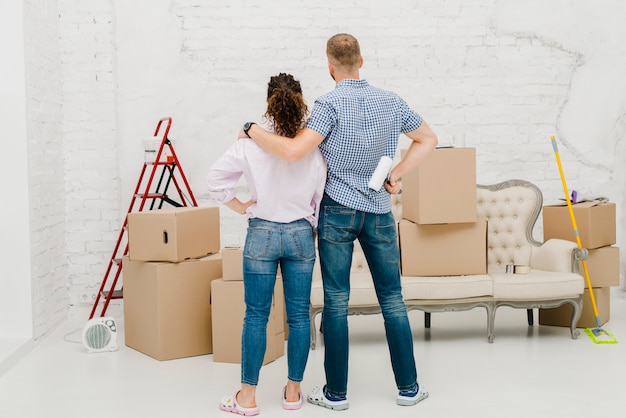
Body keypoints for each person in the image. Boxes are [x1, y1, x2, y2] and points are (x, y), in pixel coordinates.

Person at [242, 34, 438, 410]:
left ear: (330, 67)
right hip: (379, 210)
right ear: (361, 61)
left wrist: (252, 129)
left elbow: (294, 150)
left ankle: (336, 394)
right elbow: (427, 139)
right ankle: (409, 388)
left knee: (336, 301)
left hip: (338, 212)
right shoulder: (392, 101)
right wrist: (396, 173)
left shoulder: (328, 105)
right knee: (393, 299)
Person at [207, 73, 327, 416]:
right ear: (302, 102)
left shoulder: (248, 145)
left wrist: (241, 206)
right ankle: (292, 393)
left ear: (269, 105)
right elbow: (319, 194)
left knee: (256, 315)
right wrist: (310, 225)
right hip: (300, 233)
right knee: (300, 317)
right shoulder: (311, 146)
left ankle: (247, 397)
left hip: (261, 232)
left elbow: (214, 180)